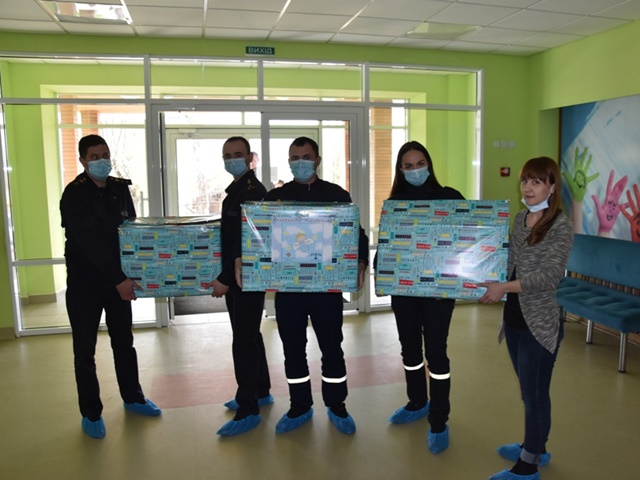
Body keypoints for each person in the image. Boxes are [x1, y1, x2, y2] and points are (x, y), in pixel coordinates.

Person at [261, 136, 369, 435]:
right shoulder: (274, 198)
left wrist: (360, 262)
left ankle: (337, 404)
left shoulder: (336, 195)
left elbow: (355, 233)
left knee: (332, 347)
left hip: (326, 290)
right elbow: (258, 237)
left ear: (317, 160)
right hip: (289, 292)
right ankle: (299, 406)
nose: (300, 163)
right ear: (289, 161)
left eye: (306, 157)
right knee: (293, 350)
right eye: (295, 158)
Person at [478, 157, 573, 480]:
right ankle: (536, 447)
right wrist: (483, 277)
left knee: (534, 396)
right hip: (514, 320)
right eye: (524, 181)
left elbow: (549, 277)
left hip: (539, 325)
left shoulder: (560, 225)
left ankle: (528, 465)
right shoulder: (521, 218)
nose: (528, 188)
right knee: (528, 392)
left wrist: (503, 287)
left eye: (536, 182)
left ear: (552, 187)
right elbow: (508, 262)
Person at [60, 134, 161, 440]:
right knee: (85, 351)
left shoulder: (119, 188)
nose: (102, 161)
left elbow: (130, 232)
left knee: (124, 343)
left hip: (118, 282)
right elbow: (90, 242)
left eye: (105, 155)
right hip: (86, 285)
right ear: (82, 160)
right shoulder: (74, 194)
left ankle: (133, 397)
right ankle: (91, 412)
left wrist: (135, 272)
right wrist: (119, 279)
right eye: (94, 157)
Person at [375, 140, 464, 454]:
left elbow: (470, 239)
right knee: (410, 349)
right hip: (404, 291)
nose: (415, 170)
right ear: (401, 170)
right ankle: (417, 402)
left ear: (429, 164)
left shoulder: (450, 198)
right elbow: (385, 245)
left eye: (420, 164)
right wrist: (382, 274)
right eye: (408, 166)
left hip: (439, 292)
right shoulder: (394, 203)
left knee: (436, 353)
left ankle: (439, 419)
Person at [206, 136, 272, 436]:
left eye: (237, 154)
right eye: (227, 155)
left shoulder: (252, 192)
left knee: (243, 341)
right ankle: (260, 390)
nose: (231, 159)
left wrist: (225, 279)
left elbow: (246, 242)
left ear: (249, 157)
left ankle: (248, 409)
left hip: (245, 278)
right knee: (250, 335)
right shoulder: (236, 191)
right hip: (240, 279)